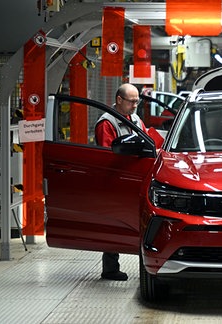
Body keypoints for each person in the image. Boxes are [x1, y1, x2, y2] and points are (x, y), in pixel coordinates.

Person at [94, 83, 153, 281]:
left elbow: (147, 140)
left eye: (137, 101)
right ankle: (110, 269)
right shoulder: (107, 123)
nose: (135, 105)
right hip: (113, 181)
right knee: (114, 222)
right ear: (119, 100)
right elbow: (106, 155)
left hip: (134, 179)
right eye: (132, 101)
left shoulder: (135, 118)